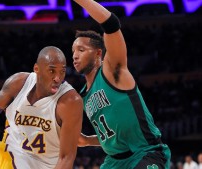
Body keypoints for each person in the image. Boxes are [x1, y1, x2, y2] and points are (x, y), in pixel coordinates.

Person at [71, 0, 171, 168]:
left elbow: (111, 24)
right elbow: (115, 134)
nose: (74, 55)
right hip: (114, 162)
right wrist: (88, 141)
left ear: (98, 54)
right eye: (73, 51)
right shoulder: (82, 96)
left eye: (81, 50)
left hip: (146, 153)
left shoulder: (112, 71)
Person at [0, 46, 83, 169]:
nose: (57, 78)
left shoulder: (70, 101)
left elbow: (66, 158)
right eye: (51, 71)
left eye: (62, 71)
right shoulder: (18, 84)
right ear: (37, 69)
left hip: (49, 165)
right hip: (13, 155)